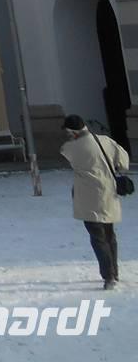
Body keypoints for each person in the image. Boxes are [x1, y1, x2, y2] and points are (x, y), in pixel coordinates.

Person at [60, 114, 129, 290]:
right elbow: (123, 162)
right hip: (109, 193)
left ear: (73, 132)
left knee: (98, 238)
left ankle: (108, 276)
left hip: (88, 198)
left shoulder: (70, 148)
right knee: (109, 235)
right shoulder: (105, 140)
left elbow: (67, 154)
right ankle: (114, 272)